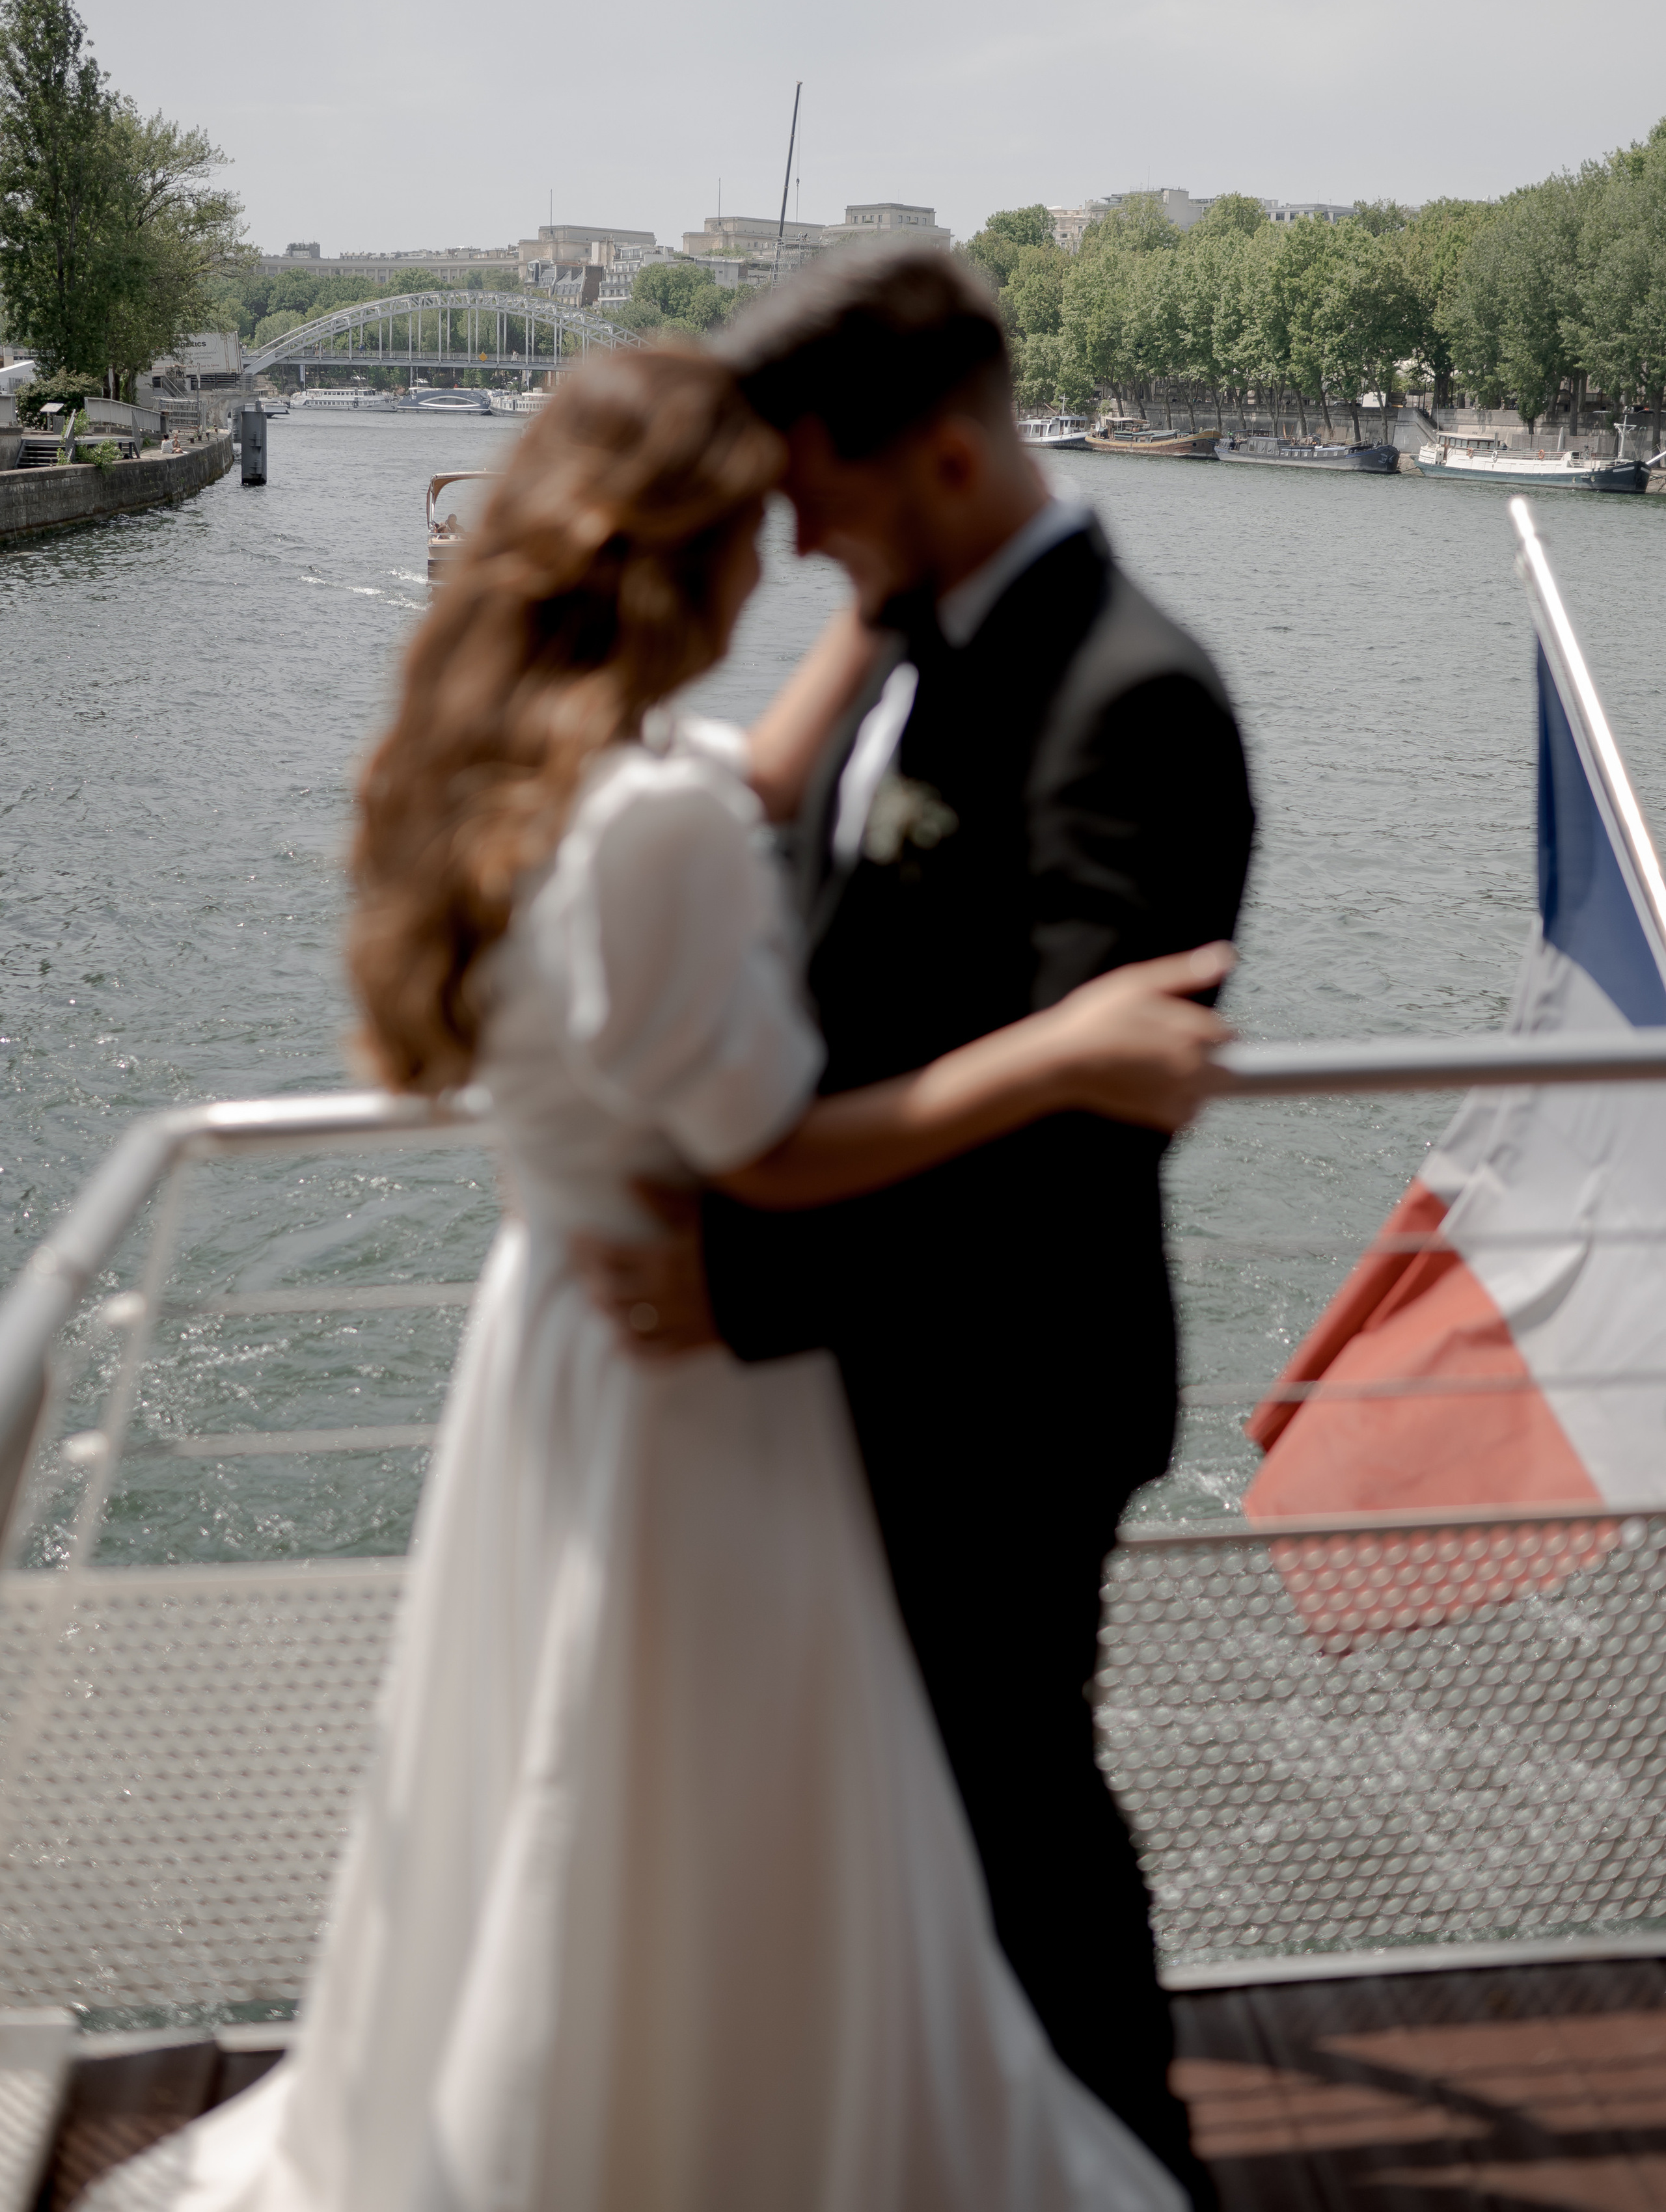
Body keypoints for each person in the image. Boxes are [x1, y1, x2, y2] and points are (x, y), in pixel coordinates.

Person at [86, 347, 1232, 2212]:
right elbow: (771, 1150)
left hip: (551, 1337)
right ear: (687, 561)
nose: (788, 548)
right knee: (709, 1807)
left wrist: (876, 615)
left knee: (554, 1791)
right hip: (691, 1374)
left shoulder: (524, 763)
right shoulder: (659, 826)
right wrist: (1066, 1051)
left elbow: (745, 786)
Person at [576, 252, 1255, 2205]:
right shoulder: (893, 642)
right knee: (887, 1836)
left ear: (944, 455)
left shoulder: (1135, 704)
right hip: (831, 1389)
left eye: (814, 487)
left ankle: (1146, 2168)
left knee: (1016, 1820)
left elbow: (1081, 1155)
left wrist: (751, 1274)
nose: (785, 535)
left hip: (1003, 1401)